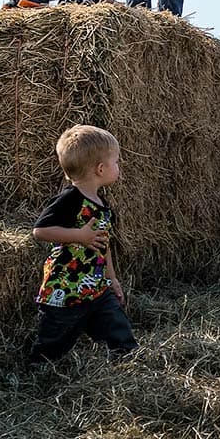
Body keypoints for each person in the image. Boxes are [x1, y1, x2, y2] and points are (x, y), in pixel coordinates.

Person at [30, 124, 136, 362]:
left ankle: (129, 360)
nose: (119, 166)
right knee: (52, 345)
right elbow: (40, 231)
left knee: (118, 330)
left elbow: (103, 245)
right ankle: (40, 368)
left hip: (97, 289)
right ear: (100, 169)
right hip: (65, 290)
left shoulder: (103, 205)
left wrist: (112, 279)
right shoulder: (70, 199)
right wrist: (79, 236)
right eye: (116, 161)